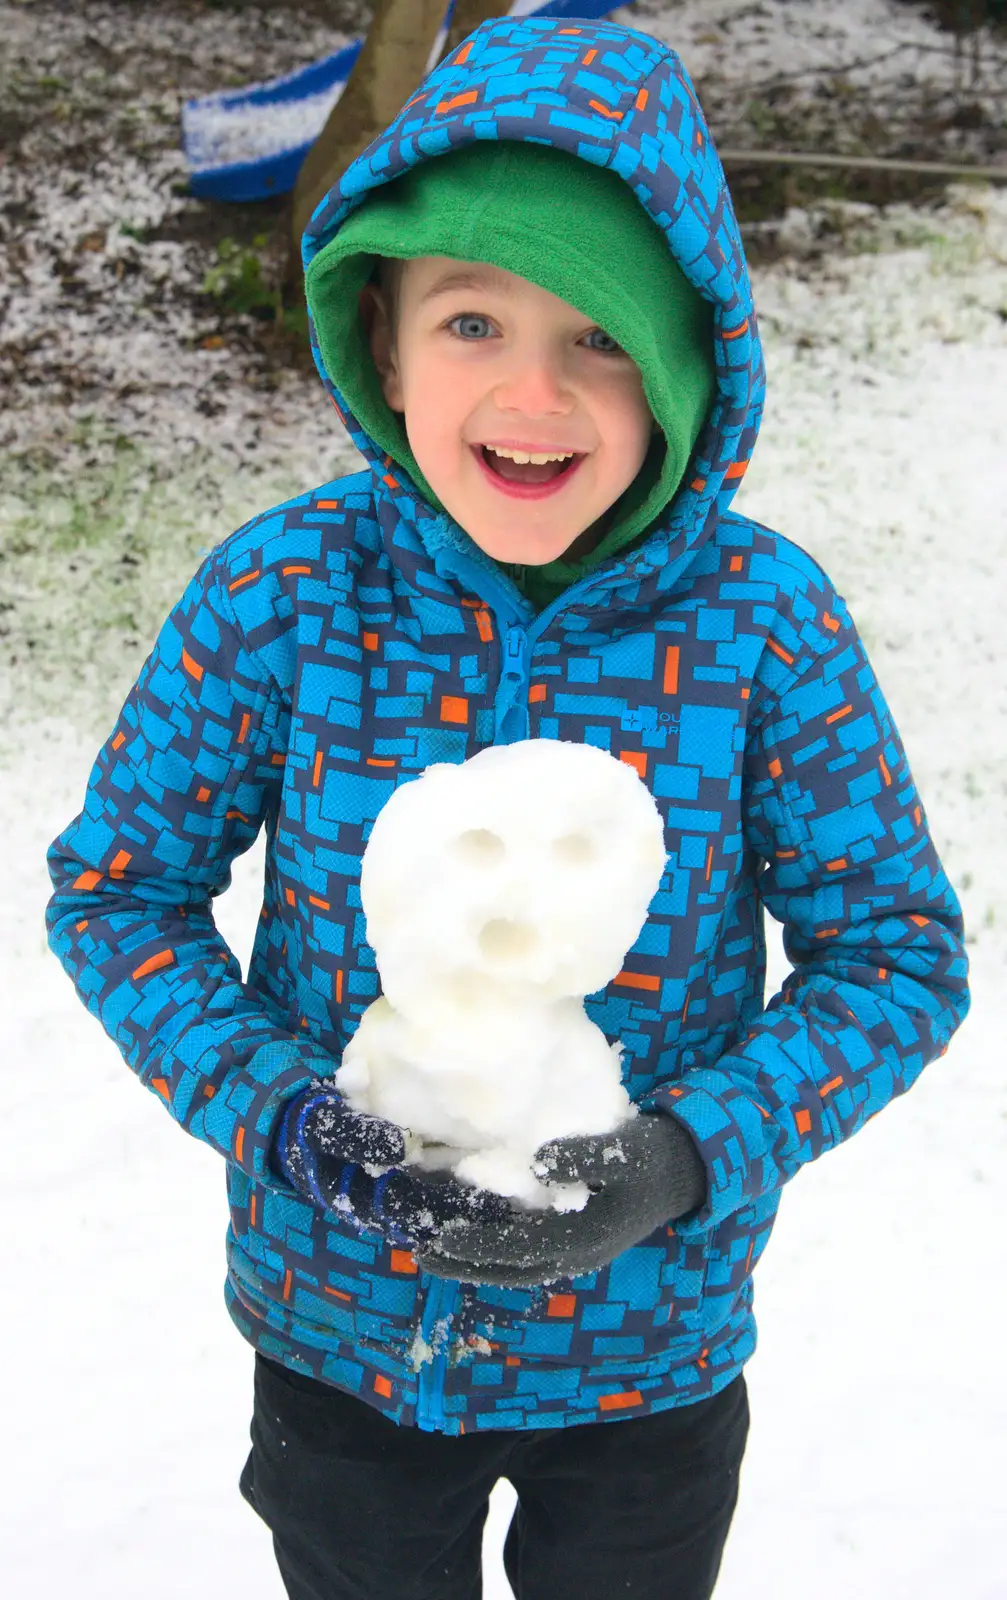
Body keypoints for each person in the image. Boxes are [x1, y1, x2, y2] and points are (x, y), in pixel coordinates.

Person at [45, 15, 970, 1600]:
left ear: (686, 362)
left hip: (648, 1357)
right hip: (336, 1336)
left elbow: (894, 953)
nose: (531, 395)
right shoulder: (284, 594)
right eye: (473, 322)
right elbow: (118, 892)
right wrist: (291, 1124)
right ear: (383, 339)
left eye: (600, 336)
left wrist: (684, 1161)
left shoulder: (761, 630)